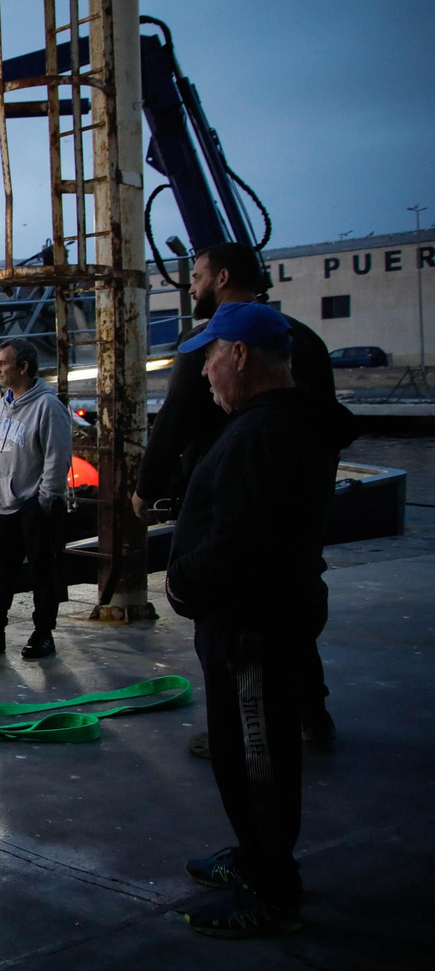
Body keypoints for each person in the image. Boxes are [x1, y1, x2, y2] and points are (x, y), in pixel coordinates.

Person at [165, 302, 355, 938]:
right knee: (242, 751)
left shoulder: (264, 433)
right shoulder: (278, 424)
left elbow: (242, 541)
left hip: (251, 626)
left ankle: (272, 886)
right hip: (253, 620)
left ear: (240, 355)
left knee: (257, 756)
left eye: (211, 358)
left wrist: (184, 581)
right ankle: (253, 854)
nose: (203, 374)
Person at [134, 242, 340, 747]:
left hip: (227, 505)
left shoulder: (214, 339)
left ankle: (243, 732)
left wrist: (145, 491)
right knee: (290, 604)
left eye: (198, 276)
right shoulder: (305, 340)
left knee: (232, 624)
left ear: (223, 278)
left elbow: (175, 419)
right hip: (299, 508)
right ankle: (311, 713)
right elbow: (326, 424)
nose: (192, 286)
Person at [0, 337, 72, 660]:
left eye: (3, 363)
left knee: (42, 572)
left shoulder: (48, 407)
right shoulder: (3, 403)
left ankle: (43, 633)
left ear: (24, 367)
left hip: (33, 504)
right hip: (0, 505)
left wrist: (47, 499)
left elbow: (56, 457)